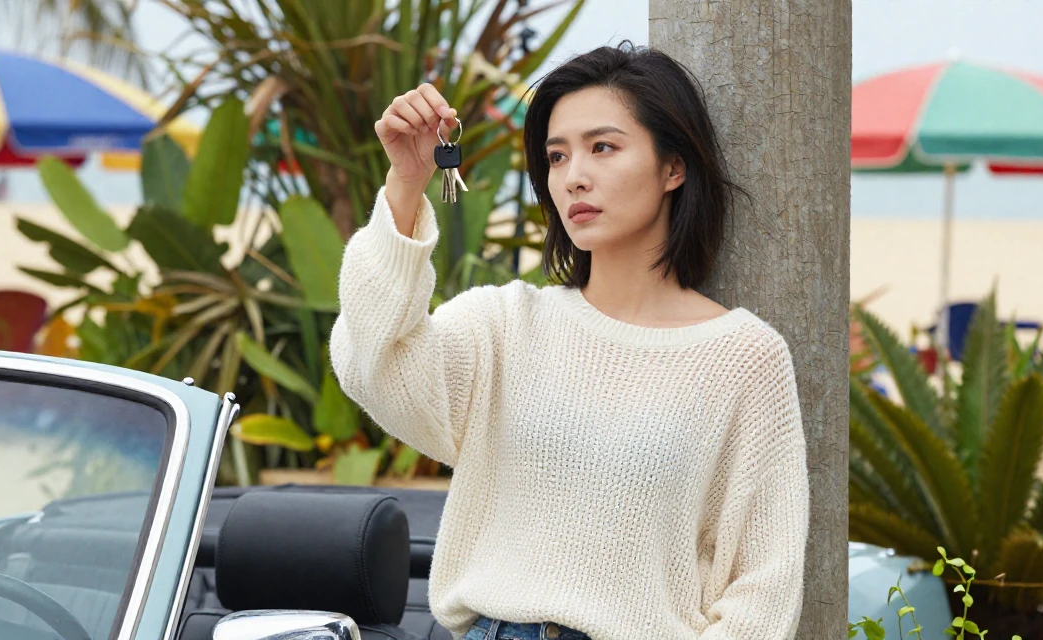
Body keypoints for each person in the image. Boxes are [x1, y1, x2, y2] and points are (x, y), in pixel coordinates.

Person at [329, 41, 810, 640]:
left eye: (602, 147)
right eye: (557, 157)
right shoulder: (503, 324)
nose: (573, 177)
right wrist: (407, 183)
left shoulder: (743, 358)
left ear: (673, 167)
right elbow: (371, 364)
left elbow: (762, 588)